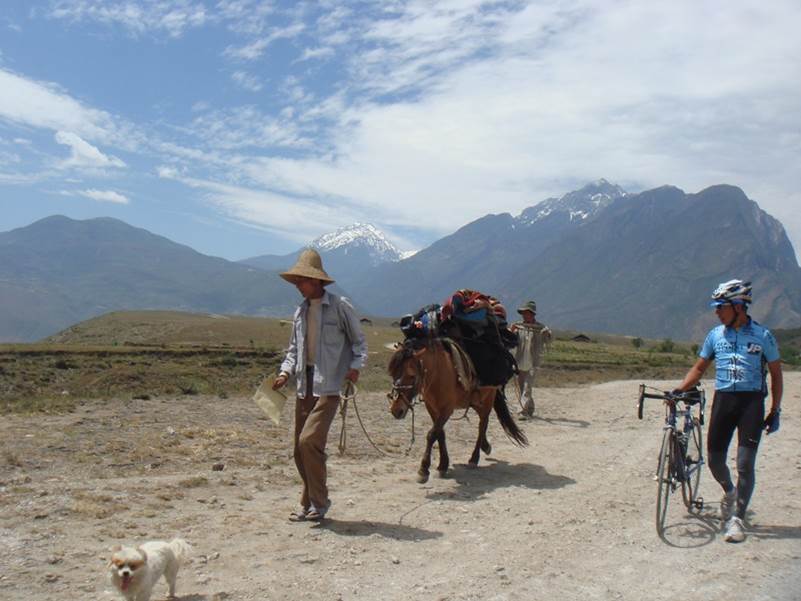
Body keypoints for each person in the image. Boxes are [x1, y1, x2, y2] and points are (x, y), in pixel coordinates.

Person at [674, 279, 782, 543]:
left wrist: (775, 409)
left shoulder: (763, 335)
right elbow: (699, 368)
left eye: (720, 306)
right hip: (724, 400)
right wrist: (679, 389)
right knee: (714, 461)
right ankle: (729, 492)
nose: (716, 311)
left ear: (737, 306)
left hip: (751, 404)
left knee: (745, 464)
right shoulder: (715, 335)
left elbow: (777, 376)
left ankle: (737, 519)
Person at [272, 249, 367, 522]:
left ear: (317, 282)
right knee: (299, 449)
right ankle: (307, 501)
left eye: (303, 280)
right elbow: (293, 350)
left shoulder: (340, 307)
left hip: (330, 384)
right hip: (305, 384)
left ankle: (320, 502)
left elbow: (359, 343)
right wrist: (284, 373)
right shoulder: (300, 313)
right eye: (298, 281)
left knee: (308, 441)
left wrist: (355, 367)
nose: (299, 286)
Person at [510, 300, 552, 418]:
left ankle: (522, 411)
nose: (524, 315)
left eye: (527, 313)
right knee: (521, 386)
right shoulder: (518, 326)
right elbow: (510, 339)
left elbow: (548, 339)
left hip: (533, 362)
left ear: (532, 314)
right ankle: (530, 408)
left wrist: (547, 334)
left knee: (527, 387)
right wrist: (511, 331)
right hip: (520, 361)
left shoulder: (540, 328)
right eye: (523, 313)